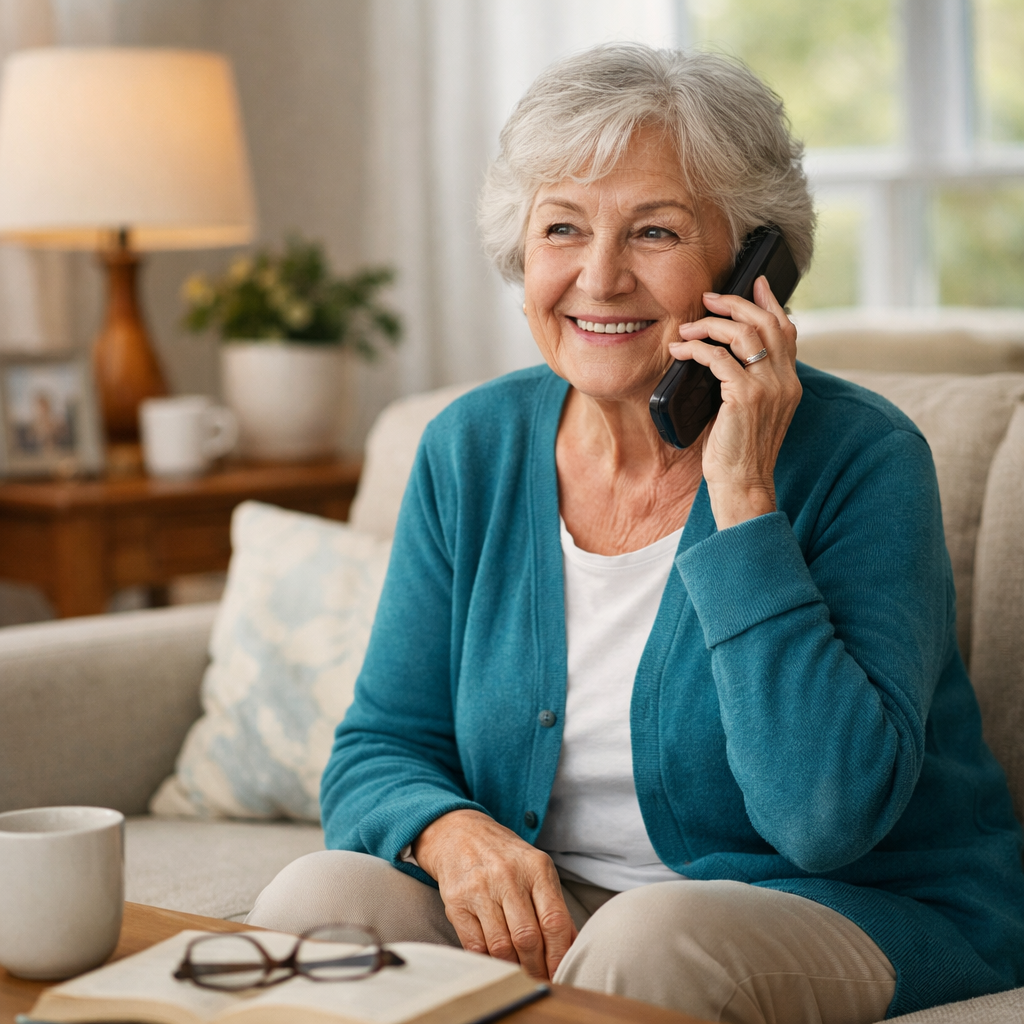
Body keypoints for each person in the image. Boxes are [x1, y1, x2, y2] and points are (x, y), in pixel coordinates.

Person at [247, 44, 1024, 1024]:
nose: (599, 276)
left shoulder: (866, 459)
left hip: (847, 905)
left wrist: (740, 492)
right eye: (562, 227)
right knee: (314, 902)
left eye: (653, 231)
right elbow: (376, 747)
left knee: (645, 943)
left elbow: (826, 815)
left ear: (753, 266)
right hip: (563, 909)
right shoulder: (467, 447)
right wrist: (450, 833)